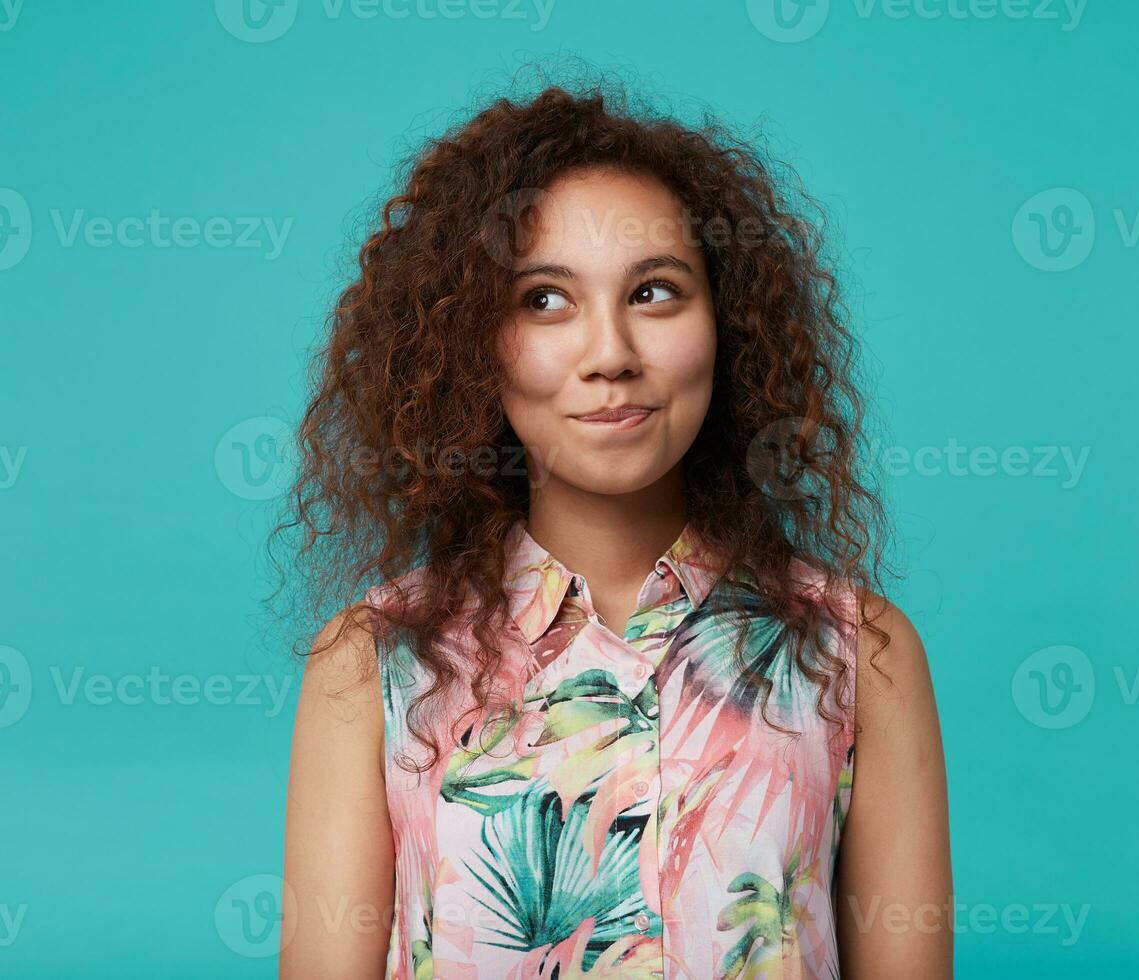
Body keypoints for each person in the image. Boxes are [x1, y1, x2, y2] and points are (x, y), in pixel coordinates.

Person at [279, 79, 952, 979]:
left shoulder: (858, 654)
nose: (610, 356)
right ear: (473, 343)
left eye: (655, 292)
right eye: (545, 300)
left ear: (727, 326)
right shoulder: (370, 667)